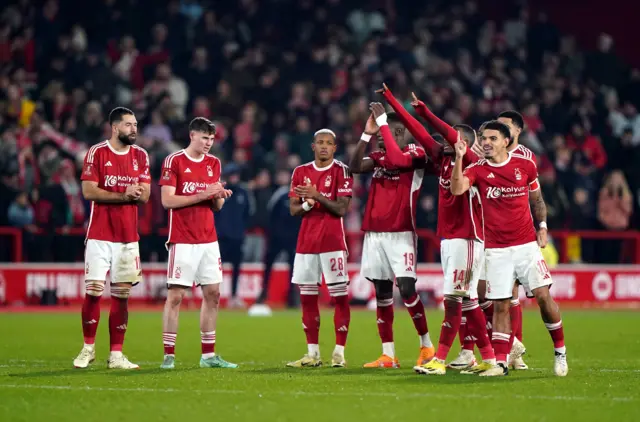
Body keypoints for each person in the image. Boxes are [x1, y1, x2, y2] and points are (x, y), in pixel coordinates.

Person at [380, 86, 495, 375]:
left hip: (467, 239)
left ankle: (439, 360)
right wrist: (395, 102)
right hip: (451, 239)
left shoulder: (472, 162)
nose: (443, 139)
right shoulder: (442, 158)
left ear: (464, 144)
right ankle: (490, 359)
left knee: (453, 299)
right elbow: (417, 130)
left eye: (450, 137)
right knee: (467, 300)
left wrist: (429, 112)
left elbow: (451, 134)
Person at [451, 120, 568, 377]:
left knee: (542, 297)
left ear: (506, 141)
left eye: (492, 138)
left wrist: (543, 227)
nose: (485, 143)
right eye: (483, 138)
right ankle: (501, 363)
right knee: (501, 304)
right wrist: (459, 158)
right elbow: (457, 188)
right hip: (496, 250)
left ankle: (560, 351)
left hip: (526, 246)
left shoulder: (525, 165)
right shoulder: (478, 168)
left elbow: (536, 199)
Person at [348, 101, 435, 369]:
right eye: (386, 133)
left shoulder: (416, 153)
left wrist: (384, 124)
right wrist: (366, 134)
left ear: (405, 134)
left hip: (401, 234)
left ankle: (427, 346)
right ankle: (388, 355)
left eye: (398, 132)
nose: (389, 137)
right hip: (375, 234)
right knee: (382, 293)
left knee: (407, 289)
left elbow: (398, 159)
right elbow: (353, 167)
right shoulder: (378, 156)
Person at [74, 107, 151, 369]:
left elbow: (146, 195)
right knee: (94, 291)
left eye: (136, 124)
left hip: (128, 237)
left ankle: (116, 354)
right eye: (129, 125)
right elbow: (88, 191)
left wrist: (136, 193)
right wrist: (123, 194)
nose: (134, 129)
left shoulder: (141, 156)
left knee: (121, 295)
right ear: (115, 127)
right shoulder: (97, 152)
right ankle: (88, 348)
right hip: (99, 234)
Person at [159, 117, 237, 369]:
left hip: (208, 240)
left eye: (212, 139)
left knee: (213, 294)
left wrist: (218, 196)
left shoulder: (214, 163)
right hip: (182, 239)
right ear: (192, 135)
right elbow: (167, 201)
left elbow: (216, 206)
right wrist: (201, 194)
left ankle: (208, 356)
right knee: (176, 296)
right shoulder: (174, 161)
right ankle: (169, 356)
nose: (208, 143)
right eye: (204, 137)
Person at [286, 128, 353, 368]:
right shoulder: (300, 171)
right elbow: (293, 210)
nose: (324, 146)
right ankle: (312, 354)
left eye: (329, 143)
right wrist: (306, 204)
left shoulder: (342, 171)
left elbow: (341, 209)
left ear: (335, 148)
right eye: (320, 142)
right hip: (306, 244)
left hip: (333, 242)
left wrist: (317, 196)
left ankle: (339, 352)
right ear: (313, 146)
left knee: (340, 298)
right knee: (307, 298)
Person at [249, 168, 300, 316]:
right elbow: (269, 215)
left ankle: (292, 296)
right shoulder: (275, 194)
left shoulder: (296, 195)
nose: (282, 177)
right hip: (276, 238)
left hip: (291, 238)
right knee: (268, 266)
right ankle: (263, 292)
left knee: (293, 269)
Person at [215, 163, 254, 308]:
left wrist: (241, 230)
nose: (234, 177)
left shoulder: (243, 193)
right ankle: (214, 295)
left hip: (237, 237)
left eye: (236, 174)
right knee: (216, 269)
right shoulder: (220, 192)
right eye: (232, 175)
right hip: (221, 237)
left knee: (236, 268)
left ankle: (234, 296)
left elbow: (248, 214)